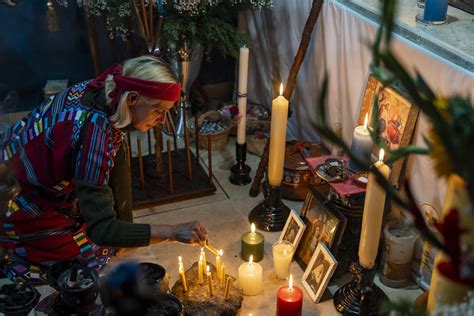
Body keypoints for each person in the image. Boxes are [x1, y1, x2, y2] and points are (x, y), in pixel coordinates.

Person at [0, 55, 208, 283]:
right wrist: (173, 231)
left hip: (25, 172)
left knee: (106, 232)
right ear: (133, 99)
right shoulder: (94, 132)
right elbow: (101, 229)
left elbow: (118, 157)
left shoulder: (105, 92)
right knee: (85, 256)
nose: (163, 120)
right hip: (15, 198)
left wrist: (125, 230)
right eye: (159, 111)